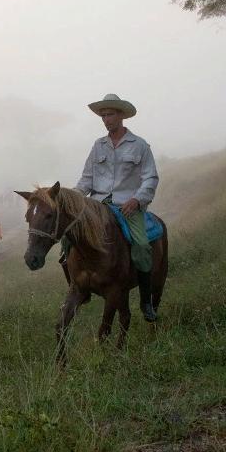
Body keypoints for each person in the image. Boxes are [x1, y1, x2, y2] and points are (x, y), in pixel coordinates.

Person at [74, 93, 160, 321]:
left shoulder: (139, 145)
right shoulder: (98, 146)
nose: (105, 119)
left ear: (121, 115)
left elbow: (150, 178)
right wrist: (73, 198)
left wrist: (137, 199)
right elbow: (87, 179)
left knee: (142, 246)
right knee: (68, 238)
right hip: (99, 204)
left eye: (109, 114)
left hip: (128, 206)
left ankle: (145, 300)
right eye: (103, 116)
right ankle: (79, 287)